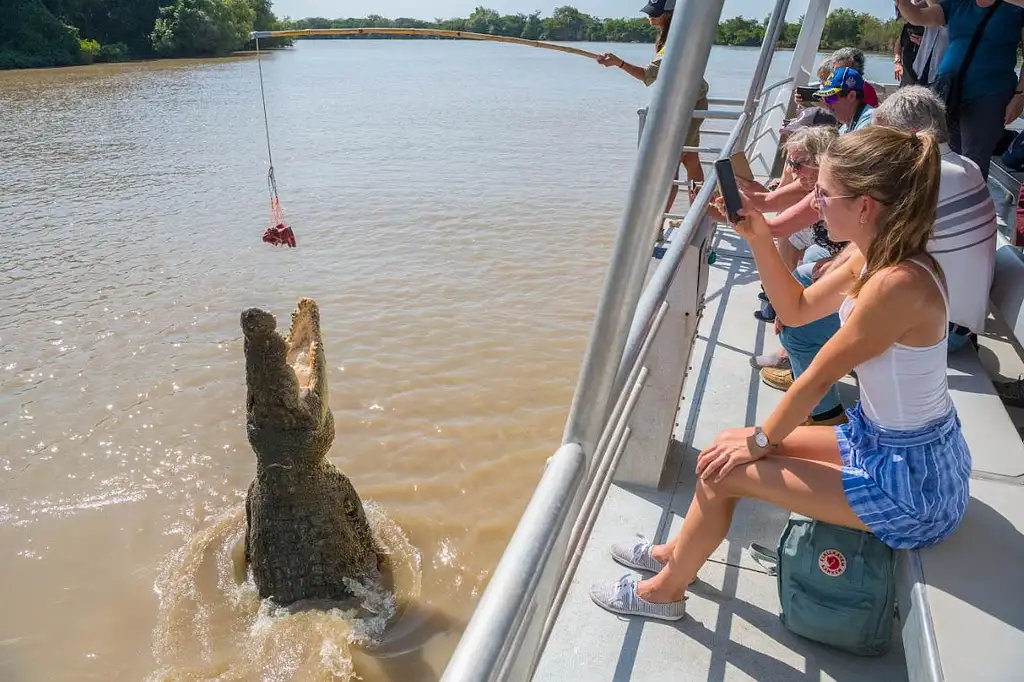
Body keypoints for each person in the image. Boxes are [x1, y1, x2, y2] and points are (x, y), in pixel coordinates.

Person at [589, 125, 971, 622]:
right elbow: (793, 309)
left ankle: (665, 593)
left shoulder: (897, 284)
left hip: (913, 485)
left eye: (824, 193)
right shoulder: (871, 254)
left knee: (728, 469)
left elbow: (814, 379)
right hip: (886, 444)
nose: (814, 202)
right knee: (722, 447)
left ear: (865, 206)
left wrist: (763, 439)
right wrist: (757, 237)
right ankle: (673, 556)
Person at [597, 0, 709, 216]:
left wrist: (619, 63)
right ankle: (701, 212)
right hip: (690, 101)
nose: (649, 17)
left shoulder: (675, 41)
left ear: (667, 15)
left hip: (686, 105)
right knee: (689, 158)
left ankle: (656, 223)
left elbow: (647, 76)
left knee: (670, 165)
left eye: (653, 13)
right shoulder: (675, 37)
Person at [896, 0, 1024, 179]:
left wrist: (1020, 95)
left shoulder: (1016, 9)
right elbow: (917, 17)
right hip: (948, 93)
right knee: (943, 157)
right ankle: (948, 205)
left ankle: (972, 205)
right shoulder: (957, 5)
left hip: (989, 96)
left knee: (973, 163)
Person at [815, 66, 876, 134]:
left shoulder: (871, 122)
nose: (826, 104)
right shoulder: (846, 126)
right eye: (825, 99)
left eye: (831, 98)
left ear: (851, 96)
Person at [896, 3, 926, 85]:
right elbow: (898, 44)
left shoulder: (932, 25)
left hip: (924, 79)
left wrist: (924, 43)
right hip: (907, 78)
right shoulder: (907, 27)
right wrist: (897, 63)